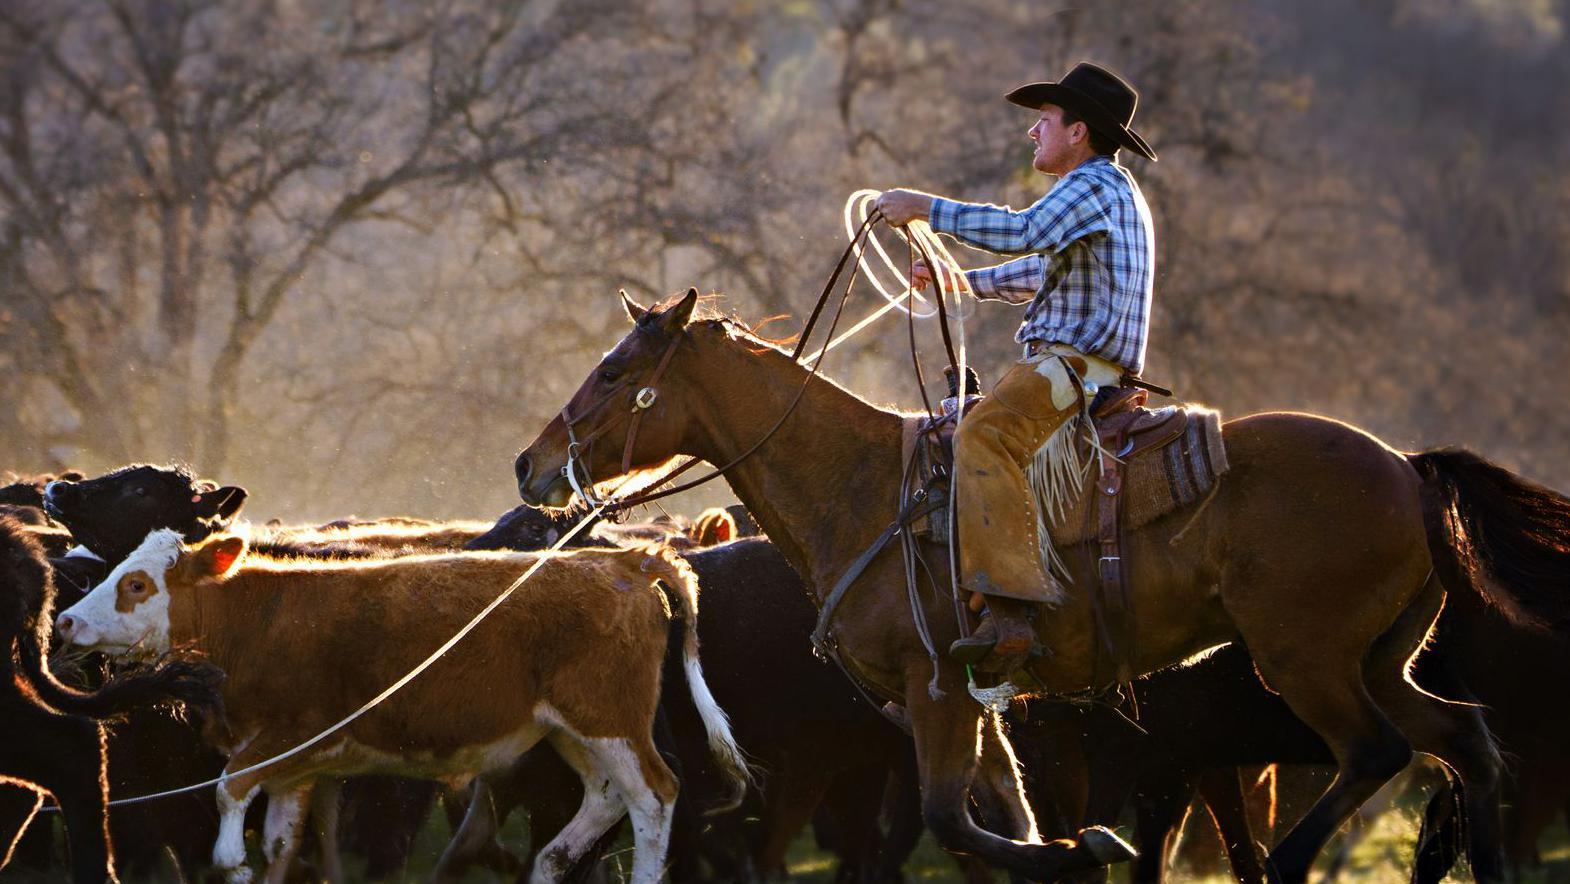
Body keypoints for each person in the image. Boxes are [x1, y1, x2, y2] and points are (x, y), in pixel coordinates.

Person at [874, 62, 1157, 674]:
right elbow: (1043, 271)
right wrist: (960, 283)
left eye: (1045, 120)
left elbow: (1022, 232)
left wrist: (925, 208)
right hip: (1083, 367)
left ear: (1078, 131)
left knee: (983, 433)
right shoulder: (1106, 194)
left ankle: (1009, 609)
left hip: (1073, 368)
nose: (1033, 132)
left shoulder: (1093, 186)